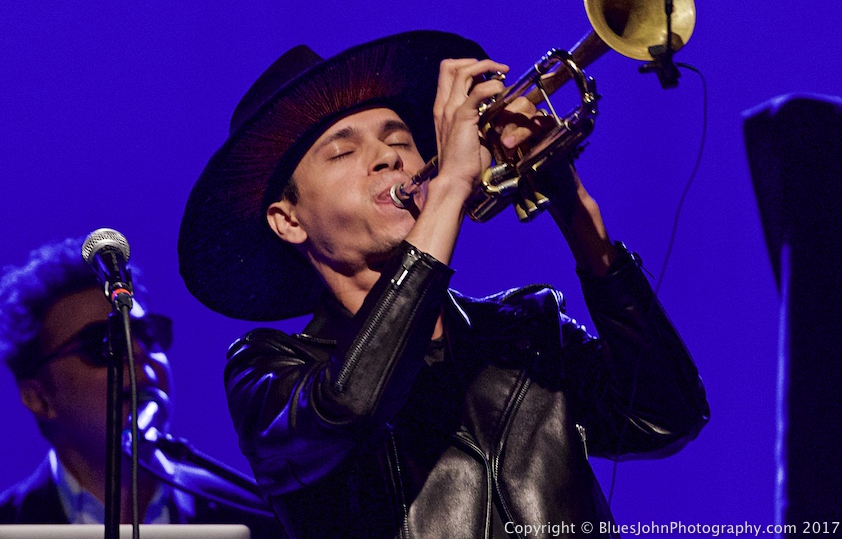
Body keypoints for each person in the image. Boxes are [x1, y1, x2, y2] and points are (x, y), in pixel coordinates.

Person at [178, 30, 710, 538]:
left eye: (400, 140)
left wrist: (574, 207)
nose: (389, 157)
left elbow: (666, 417)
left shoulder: (526, 330)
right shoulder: (267, 369)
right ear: (288, 221)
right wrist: (453, 185)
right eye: (343, 152)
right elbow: (352, 406)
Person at [0, 237, 278, 537]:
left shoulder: (255, 514)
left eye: (146, 333)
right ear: (39, 397)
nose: (138, 354)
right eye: (103, 343)